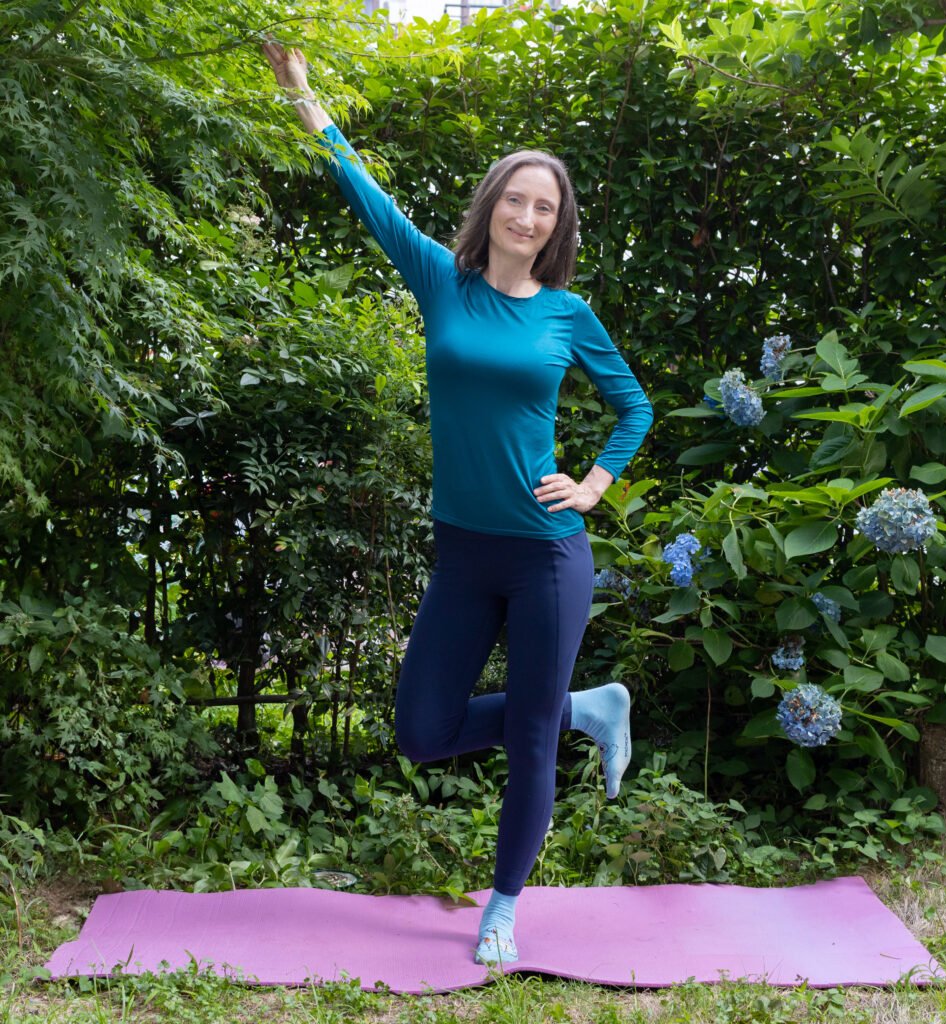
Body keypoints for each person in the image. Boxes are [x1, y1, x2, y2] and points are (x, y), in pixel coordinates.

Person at [261, 39, 654, 966]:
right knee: (422, 730)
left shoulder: (569, 315)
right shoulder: (443, 280)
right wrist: (304, 96)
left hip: (547, 552)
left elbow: (633, 405)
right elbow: (363, 190)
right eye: (515, 199)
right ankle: (587, 707)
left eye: (544, 206)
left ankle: (503, 904)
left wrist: (593, 486)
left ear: (557, 226)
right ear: (492, 207)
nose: (526, 215)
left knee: (524, 738)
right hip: (465, 551)